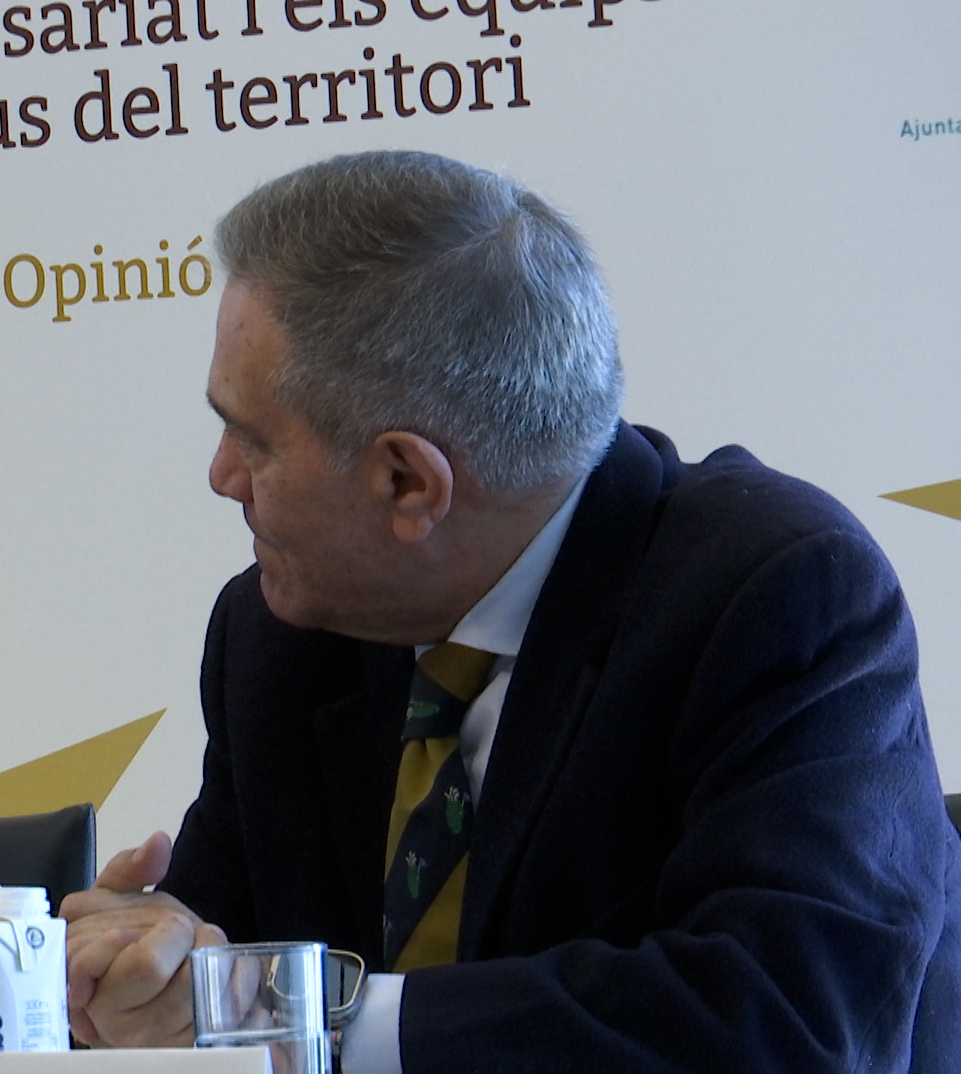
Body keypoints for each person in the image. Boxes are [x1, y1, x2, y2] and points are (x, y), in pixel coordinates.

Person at [61, 150, 961, 1071]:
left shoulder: (778, 595)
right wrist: (144, 975)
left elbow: (791, 1022)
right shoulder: (277, 641)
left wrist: (318, 1021)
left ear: (409, 483)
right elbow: (221, 989)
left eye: (250, 439)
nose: (221, 476)